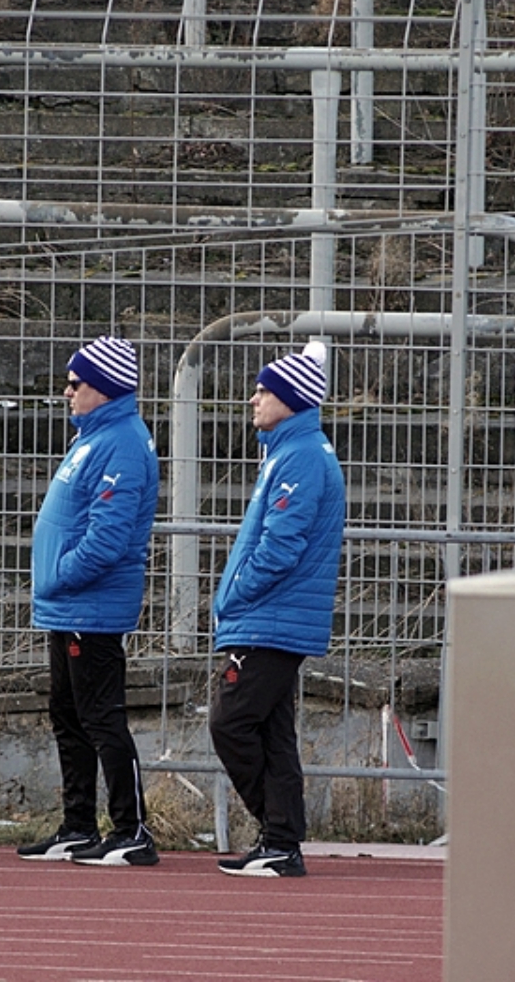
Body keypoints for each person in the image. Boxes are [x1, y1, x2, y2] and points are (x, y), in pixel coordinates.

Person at [17, 335, 161, 867]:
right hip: (70, 606)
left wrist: (57, 577)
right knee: (69, 716)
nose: (67, 391)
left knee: (100, 718)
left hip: (89, 607)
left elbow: (108, 538)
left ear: (101, 388)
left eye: (76, 384)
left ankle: (132, 830)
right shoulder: (94, 436)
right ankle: (78, 826)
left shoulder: (121, 442)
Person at [209, 340, 346, 878]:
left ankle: (277, 830)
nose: (253, 399)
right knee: (271, 731)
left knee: (231, 722)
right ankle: (281, 841)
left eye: (264, 392)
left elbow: (279, 548)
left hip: (269, 618)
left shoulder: (301, 457)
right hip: (273, 616)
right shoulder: (292, 452)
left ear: (290, 400)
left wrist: (234, 593)